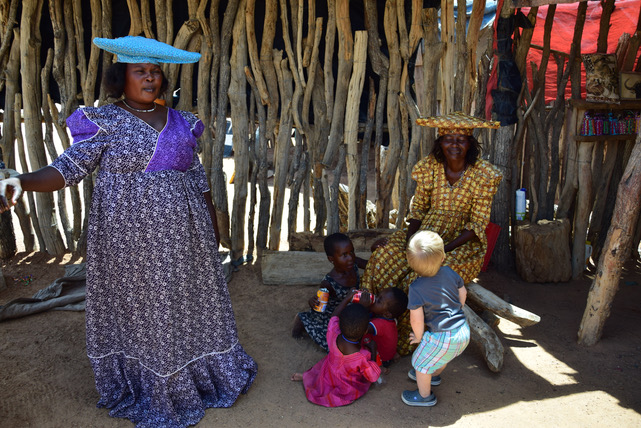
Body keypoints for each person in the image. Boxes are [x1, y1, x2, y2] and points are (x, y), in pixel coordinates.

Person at [0, 36, 256, 427]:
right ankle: (155, 388)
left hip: (186, 238)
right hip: (130, 241)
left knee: (189, 304)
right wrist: (22, 181)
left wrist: (212, 223)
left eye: (155, 72)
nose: (150, 79)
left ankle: (200, 379)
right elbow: (66, 169)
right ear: (121, 78)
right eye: (141, 72)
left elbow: (197, 175)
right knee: (145, 310)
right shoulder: (105, 121)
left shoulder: (182, 121)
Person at [361, 111, 502, 355]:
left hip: (462, 244)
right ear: (439, 142)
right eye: (448, 139)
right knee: (384, 257)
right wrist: (409, 243)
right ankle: (368, 321)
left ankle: (407, 338)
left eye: (461, 139)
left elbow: (477, 224)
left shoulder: (484, 175)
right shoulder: (429, 168)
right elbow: (418, 211)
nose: (455, 144)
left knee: (418, 279)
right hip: (425, 232)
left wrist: (439, 251)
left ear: (471, 144)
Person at [401, 231, 470, 407]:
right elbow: (463, 292)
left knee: (419, 364)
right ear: (442, 257)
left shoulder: (416, 288)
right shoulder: (449, 272)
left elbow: (416, 319)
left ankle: (424, 396)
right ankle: (434, 376)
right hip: (462, 330)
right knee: (441, 356)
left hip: (443, 336)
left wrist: (418, 337)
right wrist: (459, 308)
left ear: (411, 264)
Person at [291, 299, 381, 407]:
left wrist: (348, 298)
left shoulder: (333, 333)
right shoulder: (363, 356)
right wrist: (373, 350)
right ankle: (316, 383)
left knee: (322, 369)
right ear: (366, 331)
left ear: (340, 323)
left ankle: (307, 377)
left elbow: (334, 316)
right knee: (364, 378)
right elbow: (373, 377)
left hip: (327, 377)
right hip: (346, 390)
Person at [291, 233, 368, 350]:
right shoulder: (329, 282)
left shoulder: (354, 263)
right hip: (335, 313)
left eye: (352, 252)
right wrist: (312, 301)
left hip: (351, 308)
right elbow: (320, 305)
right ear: (331, 259)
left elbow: (371, 265)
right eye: (344, 255)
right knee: (336, 341)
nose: (350, 257)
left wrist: (376, 249)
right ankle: (303, 319)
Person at [362, 287, 408, 367]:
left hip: (381, 359)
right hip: (388, 356)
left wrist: (362, 307)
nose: (375, 299)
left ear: (387, 314)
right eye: (377, 295)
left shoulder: (380, 324)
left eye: (379, 301)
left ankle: (379, 367)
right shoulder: (390, 319)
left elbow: (359, 328)